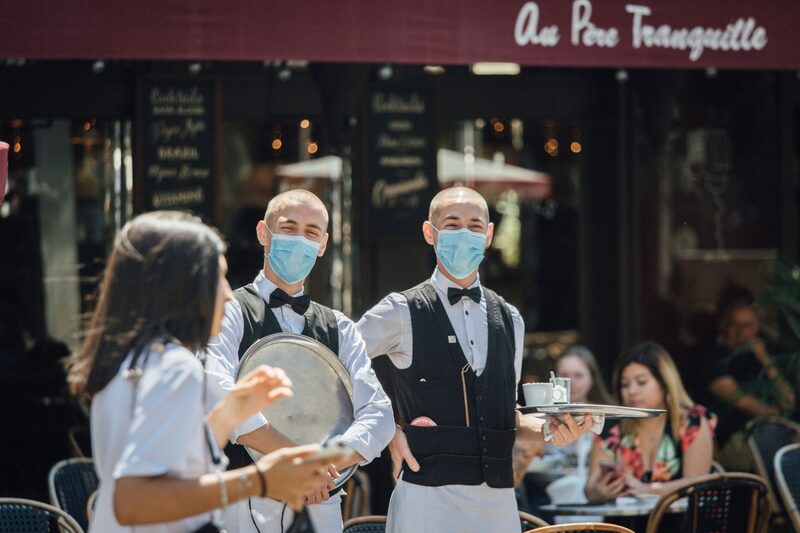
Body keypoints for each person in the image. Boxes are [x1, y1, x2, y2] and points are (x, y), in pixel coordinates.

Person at [67, 211, 336, 532]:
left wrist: (229, 413)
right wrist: (259, 480)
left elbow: (172, 464)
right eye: (218, 277)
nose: (227, 292)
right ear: (182, 286)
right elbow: (132, 500)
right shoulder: (174, 367)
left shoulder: (132, 360)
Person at [356, 186, 597, 533]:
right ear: (430, 233)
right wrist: (386, 429)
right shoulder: (401, 310)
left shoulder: (511, 319)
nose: (464, 234)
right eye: (452, 224)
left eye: (474, 225)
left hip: (497, 506)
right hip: (426, 504)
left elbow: (505, 415)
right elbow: (338, 365)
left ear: (489, 235)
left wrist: (551, 431)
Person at [204, 189, 394, 532]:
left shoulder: (340, 327)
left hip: (321, 502)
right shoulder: (229, 312)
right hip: (244, 500)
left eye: (311, 232)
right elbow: (215, 389)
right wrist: (300, 462)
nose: (299, 240)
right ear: (263, 233)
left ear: (322, 245)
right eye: (288, 228)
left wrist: (323, 465)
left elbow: (379, 415)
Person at [585, 341, 715, 503]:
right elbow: (589, 489)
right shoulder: (611, 427)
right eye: (624, 384)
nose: (632, 391)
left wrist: (648, 490)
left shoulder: (691, 422)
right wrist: (599, 491)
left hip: (680, 518)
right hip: (624, 518)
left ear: (664, 383)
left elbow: (698, 483)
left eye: (641, 382)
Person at [540, 345, 612, 504]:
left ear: (592, 379)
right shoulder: (541, 417)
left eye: (578, 375)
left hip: (598, 500)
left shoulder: (608, 417)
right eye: (564, 375)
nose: (570, 382)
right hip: (545, 497)